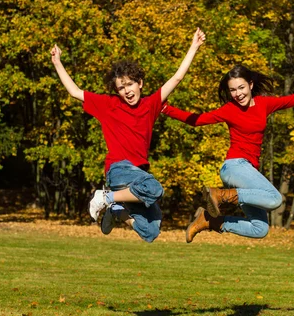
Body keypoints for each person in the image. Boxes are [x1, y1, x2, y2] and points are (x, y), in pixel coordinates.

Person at [50, 28, 206, 242]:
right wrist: (57, 62)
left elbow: (177, 78)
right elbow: (75, 92)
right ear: (117, 91)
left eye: (130, 84)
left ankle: (114, 210)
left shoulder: (151, 104)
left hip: (137, 176)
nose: (127, 91)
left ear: (140, 83)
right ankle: (105, 197)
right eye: (121, 88)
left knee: (151, 231)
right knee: (155, 189)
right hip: (119, 169)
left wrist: (194, 47)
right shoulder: (109, 105)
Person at [163, 64, 294, 243]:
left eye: (241, 87)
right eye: (232, 90)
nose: (238, 93)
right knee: (274, 199)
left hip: (248, 171)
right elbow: (197, 120)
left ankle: (212, 221)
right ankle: (220, 195)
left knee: (259, 229)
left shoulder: (263, 104)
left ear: (250, 85)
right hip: (234, 167)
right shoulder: (229, 109)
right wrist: (165, 109)